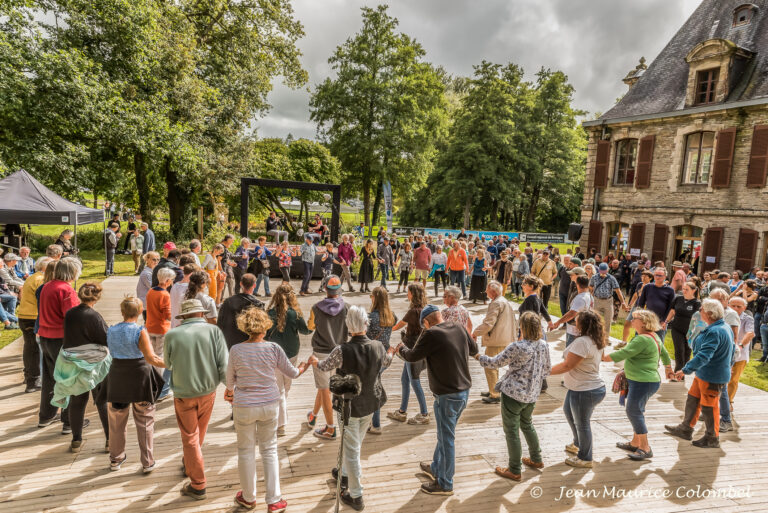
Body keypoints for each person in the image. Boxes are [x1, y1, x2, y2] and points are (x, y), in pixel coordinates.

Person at [225, 307, 311, 511]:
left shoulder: (236, 350)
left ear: (245, 328)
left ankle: (248, 497)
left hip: (244, 405)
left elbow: (229, 382)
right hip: (269, 405)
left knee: (245, 451)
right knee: (270, 450)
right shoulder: (273, 348)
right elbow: (292, 373)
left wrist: (230, 391)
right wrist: (303, 367)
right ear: (264, 328)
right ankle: (274, 500)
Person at [313, 306, 397, 510]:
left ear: (348, 326)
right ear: (366, 324)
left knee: (352, 448)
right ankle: (342, 473)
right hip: (370, 402)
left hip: (348, 406)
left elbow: (324, 366)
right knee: (354, 441)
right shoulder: (378, 346)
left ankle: (356, 494)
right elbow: (386, 361)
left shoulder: (342, 350)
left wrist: (314, 361)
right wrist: (392, 352)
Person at [397, 305, 479, 495]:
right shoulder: (458, 327)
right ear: (440, 316)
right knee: (445, 434)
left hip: (447, 395)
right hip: (464, 391)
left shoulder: (430, 334)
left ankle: (445, 483)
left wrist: (401, 348)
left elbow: (412, 357)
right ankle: (436, 468)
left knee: (446, 439)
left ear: (426, 322)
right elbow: (473, 348)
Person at [164, 298, 228, 500]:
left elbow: (167, 364)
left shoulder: (172, 335)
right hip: (209, 391)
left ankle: (198, 483)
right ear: (201, 313)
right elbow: (223, 364)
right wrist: (232, 389)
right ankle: (190, 463)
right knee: (198, 434)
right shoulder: (214, 331)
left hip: (183, 394)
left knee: (190, 437)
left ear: (183, 316)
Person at [474, 311, 550, 480]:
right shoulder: (543, 345)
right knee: (527, 425)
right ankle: (536, 459)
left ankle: (514, 469)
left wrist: (477, 355)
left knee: (512, 432)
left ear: (522, 327)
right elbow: (546, 370)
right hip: (531, 395)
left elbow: (494, 363)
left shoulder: (517, 347)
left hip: (513, 395)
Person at [105, 296, 165, 471]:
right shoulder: (140, 331)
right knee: (145, 418)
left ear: (122, 312)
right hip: (139, 377)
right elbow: (151, 358)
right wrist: (172, 363)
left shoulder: (111, 330)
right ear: (140, 312)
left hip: (117, 376)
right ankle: (147, 461)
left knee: (116, 419)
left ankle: (116, 458)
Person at [603, 310, 673, 461]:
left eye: (634, 319)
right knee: (637, 410)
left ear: (643, 322)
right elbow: (666, 354)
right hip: (646, 381)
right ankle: (635, 442)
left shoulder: (642, 340)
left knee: (634, 411)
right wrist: (668, 368)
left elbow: (624, 353)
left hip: (643, 382)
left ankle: (645, 448)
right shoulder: (653, 336)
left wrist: (603, 358)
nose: (631, 321)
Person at [665, 299, 735, 449]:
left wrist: (685, 369)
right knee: (693, 399)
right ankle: (685, 428)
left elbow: (704, 356)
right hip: (705, 374)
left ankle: (712, 437)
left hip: (712, 376)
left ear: (709, 314)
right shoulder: (722, 327)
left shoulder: (715, 331)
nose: (699, 312)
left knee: (709, 406)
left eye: (702, 310)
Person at [53, 282, 111, 453]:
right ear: (97, 297)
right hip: (94, 363)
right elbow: (105, 338)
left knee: (77, 402)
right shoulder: (94, 316)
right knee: (102, 401)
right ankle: (109, 440)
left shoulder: (70, 314)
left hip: (72, 363)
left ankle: (76, 440)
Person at [550, 310, 606, 468]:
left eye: (577, 320)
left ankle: (585, 458)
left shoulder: (583, 342)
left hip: (585, 390)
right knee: (569, 412)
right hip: (581, 387)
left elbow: (568, 365)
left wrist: (544, 371)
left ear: (584, 324)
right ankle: (578, 443)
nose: (574, 323)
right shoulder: (595, 339)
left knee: (582, 423)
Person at [37, 257, 82, 430]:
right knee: (69, 379)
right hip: (61, 338)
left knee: (49, 378)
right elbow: (72, 318)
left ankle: (46, 415)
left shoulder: (47, 286)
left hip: (45, 336)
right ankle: (69, 421)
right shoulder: (66, 290)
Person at [265, 284, 311, 436]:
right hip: (291, 353)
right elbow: (306, 330)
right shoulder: (294, 314)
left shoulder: (269, 313)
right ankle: (281, 424)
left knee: (279, 388)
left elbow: (264, 335)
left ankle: (279, 419)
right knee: (286, 386)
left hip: (273, 354)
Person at [306, 276, 349, 440]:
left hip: (321, 353)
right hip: (340, 353)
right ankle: (314, 416)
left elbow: (310, 327)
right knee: (323, 387)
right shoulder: (347, 307)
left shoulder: (316, 308)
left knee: (325, 390)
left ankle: (331, 428)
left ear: (325, 289)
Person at [388, 283, 430, 424]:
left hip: (412, 350)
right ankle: (402, 412)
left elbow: (399, 325)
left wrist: (387, 328)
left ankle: (424, 413)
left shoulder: (413, 312)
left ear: (413, 294)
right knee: (405, 380)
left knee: (415, 381)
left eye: (409, 292)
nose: (407, 294)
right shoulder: (425, 310)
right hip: (420, 349)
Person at [472, 281, 516, 404]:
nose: (485, 291)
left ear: (493, 292)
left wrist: (475, 333)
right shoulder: (503, 301)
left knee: (490, 366)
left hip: (497, 340)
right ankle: (493, 389)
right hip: (503, 338)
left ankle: (495, 394)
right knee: (493, 366)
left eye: (487, 289)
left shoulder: (496, 303)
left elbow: (489, 324)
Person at [366, 286, 398, 434]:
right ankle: (372, 422)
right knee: (374, 386)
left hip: (371, 357)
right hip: (385, 357)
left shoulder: (370, 318)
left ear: (375, 298)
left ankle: (376, 424)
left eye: (371, 296)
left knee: (373, 390)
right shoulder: (392, 316)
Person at [17, 257, 51, 392]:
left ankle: (29, 376)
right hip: (32, 317)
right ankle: (33, 380)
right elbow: (44, 301)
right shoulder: (41, 280)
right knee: (34, 350)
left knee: (29, 347)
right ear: (45, 268)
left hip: (25, 315)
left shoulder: (33, 277)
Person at [145, 268, 176, 400]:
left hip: (150, 326)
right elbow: (167, 315)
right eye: (171, 280)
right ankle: (158, 387)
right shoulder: (165, 295)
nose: (172, 282)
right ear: (167, 280)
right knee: (160, 357)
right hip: (162, 329)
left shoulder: (150, 291)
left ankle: (150, 382)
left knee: (151, 356)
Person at [725, 296, 754, 428]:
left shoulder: (747, 319)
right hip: (724, 353)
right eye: (733, 305)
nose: (735, 308)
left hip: (740, 354)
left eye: (739, 306)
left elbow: (750, 333)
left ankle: (728, 401)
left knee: (733, 379)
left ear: (744, 308)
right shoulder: (724, 315)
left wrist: (740, 345)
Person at [218, 273, 265, 350]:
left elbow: (220, 323)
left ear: (240, 284)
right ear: (254, 285)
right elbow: (262, 329)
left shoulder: (228, 302)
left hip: (230, 344)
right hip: (249, 346)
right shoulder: (257, 305)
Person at [665, 281, 701, 375]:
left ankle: (683, 372)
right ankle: (677, 371)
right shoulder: (678, 299)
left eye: (687, 289)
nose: (684, 291)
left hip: (690, 331)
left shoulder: (697, 303)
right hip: (677, 328)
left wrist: (694, 332)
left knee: (687, 352)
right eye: (683, 289)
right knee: (679, 350)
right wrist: (666, 322)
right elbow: (672, 311)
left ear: (693, 290)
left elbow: (697, 318)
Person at [590, 262, 628, 346]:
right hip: (597, 300)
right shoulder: (594, 277)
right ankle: (595, 337)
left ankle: (606, 339)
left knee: (608, 320)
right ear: (599, 270)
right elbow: (590, 288)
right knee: (595, 320)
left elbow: (618, 291)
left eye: (604, 271)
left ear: (607, 270)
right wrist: (589, 299)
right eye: (601, 271)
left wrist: (623, 303)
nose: (603, 273)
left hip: (608, 301)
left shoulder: (611, 278)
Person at [552, 274, 594, 347]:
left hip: (574, 331)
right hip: (583, 328)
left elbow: (572, 314)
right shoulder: (589, 295)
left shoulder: (580, 298)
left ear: (577, 284)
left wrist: (558, 322)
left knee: (570, 352)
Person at [637, 267, 676, 341]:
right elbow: (641, 303)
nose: (657, 277)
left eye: (660, 275)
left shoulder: (670, 290)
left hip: (661, 320)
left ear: (665, 276)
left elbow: (671, 307)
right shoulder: (648, 287)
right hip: (647, 319)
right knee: (642, 340)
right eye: (656, 275)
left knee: (658, 342)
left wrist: (664, 321)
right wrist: (639, 316)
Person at [619, 270, 653, 348]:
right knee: (627, 324)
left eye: (645, 276)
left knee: (639, 328)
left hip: (644, 309)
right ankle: (623, 342)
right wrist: (630, 305)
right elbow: (636, 295)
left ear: (650, 278)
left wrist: (644, 287)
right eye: (642, 276)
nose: (643, 278)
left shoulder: (651, 287)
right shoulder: (639, 284)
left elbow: (641, 294)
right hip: (635, 307)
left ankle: (637, 345)